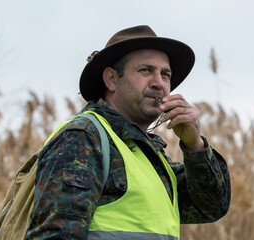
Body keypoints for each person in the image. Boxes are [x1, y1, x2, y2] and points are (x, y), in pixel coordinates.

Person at [25, 25, 231, 239]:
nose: (159, 83)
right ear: (112, 79)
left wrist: (194, 144)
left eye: (165, 75)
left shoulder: (150, 157)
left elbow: (211, 206)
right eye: (146, 70)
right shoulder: (84, 137)